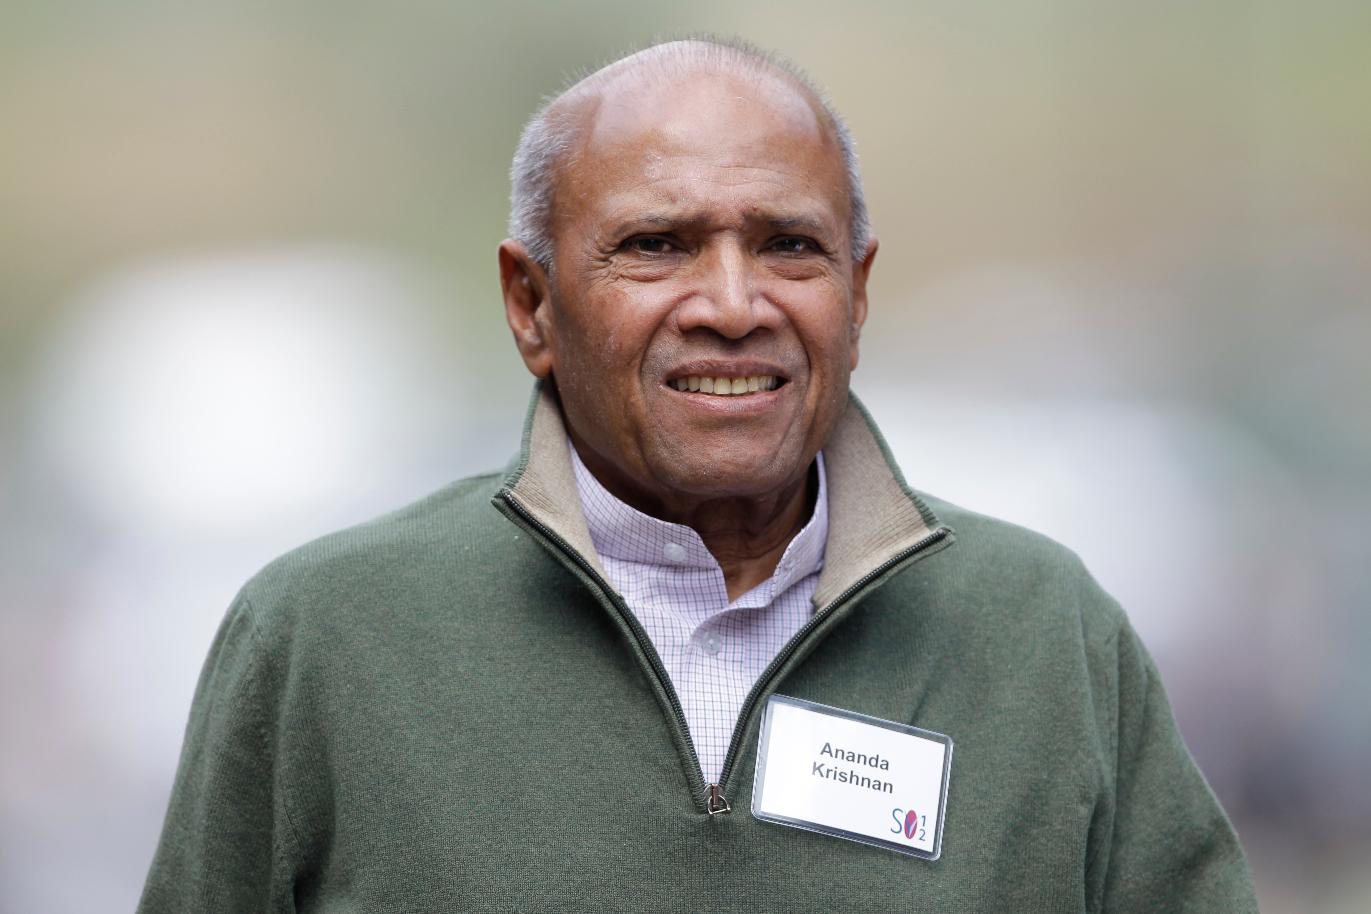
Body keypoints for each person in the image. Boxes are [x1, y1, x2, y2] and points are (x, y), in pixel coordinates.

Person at [138, 38, 1257, 913]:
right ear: (532, 305)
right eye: (658, 245)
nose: (733, 306)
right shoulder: (329, 638)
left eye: (790, 246)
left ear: (857, 295)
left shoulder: (1042, 634)